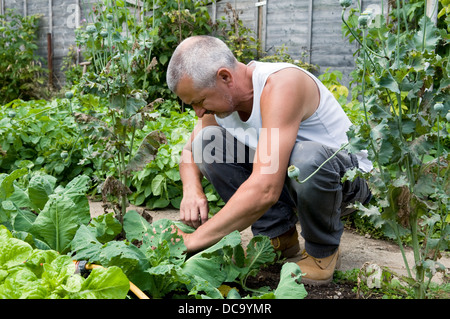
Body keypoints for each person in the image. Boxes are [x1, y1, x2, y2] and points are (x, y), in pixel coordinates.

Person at [166, 35, 372, 286]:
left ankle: (322, 253)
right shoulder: (221, 104)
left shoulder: (281, 84)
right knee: (207, 142)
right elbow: (189, 153)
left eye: (199, 101)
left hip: (345, 180)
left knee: (304, 159)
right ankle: (279, 236)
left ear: (225, 77)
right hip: (290, 175)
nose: (198, 112)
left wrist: (194, 239)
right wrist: (192, 190)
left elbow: (266, 188)